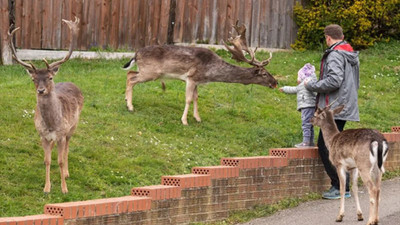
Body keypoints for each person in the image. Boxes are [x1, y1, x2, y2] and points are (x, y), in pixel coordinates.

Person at [304, 24, 360, 199]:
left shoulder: (335, 54)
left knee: (326, 146)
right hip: (345, 103)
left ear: (328, 38)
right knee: (338, 146)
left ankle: (339, 186)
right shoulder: (349, 53)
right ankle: (345, 186)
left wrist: (311, 85)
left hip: (334, 107)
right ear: (341, 36)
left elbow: (334, 80)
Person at [280, 63, 317, 148]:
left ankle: (306, 142)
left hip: (307, 105)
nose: (297, 79)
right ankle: (310, 142)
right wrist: (285, 88)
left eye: (298, 76)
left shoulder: (307, 83)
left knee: (306, 123)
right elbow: (295, 89)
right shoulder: (304, 84)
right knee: (309, 124)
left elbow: (316, 92)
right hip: (308, 105)